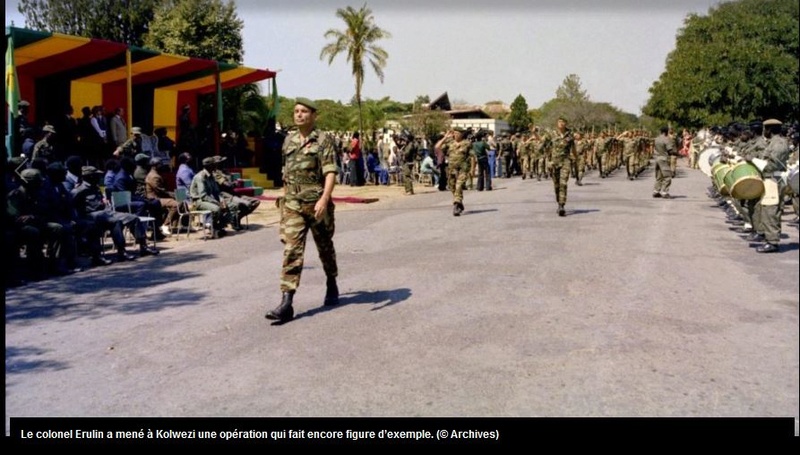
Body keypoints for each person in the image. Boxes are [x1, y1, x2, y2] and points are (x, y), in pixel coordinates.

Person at [265, 98, 339, 323]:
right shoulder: (288, 140)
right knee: (292, 250)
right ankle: (287, 302)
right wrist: (284, 201)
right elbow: (286, 173)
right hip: (293, 205)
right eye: (296, 111)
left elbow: (330, 172)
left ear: (313, 115)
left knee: (325, 246)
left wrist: (324, 199)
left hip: (316, 203)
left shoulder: (323, 140)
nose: (299, 115)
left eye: (304, 111)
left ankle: (331, 281)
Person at [72, 165, 159, 261]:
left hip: (105, 211)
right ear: (90, 177)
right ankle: (121, 251)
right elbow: (70, 204)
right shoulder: (79, 190)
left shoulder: (95, 187)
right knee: (115, 221)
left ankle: (144, 246)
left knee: (133, 218)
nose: (98, 178)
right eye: (96, 176)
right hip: (91, 214)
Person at [752, 119, 792, 253]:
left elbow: (770, 166)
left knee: (771, 210)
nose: (764, 132)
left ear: (769, 129)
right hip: (770, 179)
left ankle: (773, 242)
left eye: (765, 129)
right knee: (767, 209)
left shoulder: (779, 144)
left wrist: (752, 160)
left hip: (774, 179)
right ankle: (769, 238)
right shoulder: (773, 143)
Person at [189, 156, 232, 238]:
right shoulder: (200, 177)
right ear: (209, 166)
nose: (216, 166)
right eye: (214, 165)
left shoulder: (211, 176)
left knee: (229, 208)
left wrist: (222, 200)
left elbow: (216, 191)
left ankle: (218, 227)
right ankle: (212, 227)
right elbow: (203, 195)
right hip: (198, 201)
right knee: (216, 208)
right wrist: (217, 202)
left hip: (208, 200)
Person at [435, 127, 472, 216]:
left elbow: (472, 156)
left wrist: (472, 169)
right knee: (452, 186)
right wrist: (445, 137)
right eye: (454, 133)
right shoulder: (450, 142)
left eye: (457, 133)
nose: (455, 135)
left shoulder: (467, 143)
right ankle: (459, 203)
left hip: (463, 168)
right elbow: (437, 147)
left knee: (459, 186)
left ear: (462, 134)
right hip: (451, 169)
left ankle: (456, 206)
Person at [145, 158, 180, 237]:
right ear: (154, 166)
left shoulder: (156, 174)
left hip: (159, 197)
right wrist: (172, 195)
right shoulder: (154, 176)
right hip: (155, 199)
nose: (161, 166)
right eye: (159, 165)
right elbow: (160, 190)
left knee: (181, 202)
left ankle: (174, 225)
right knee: (175, 204)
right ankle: (165, 225)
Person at [549, 116, 575, 216]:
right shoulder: (551, 134)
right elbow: (542, 143)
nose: (561, 123)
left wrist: (575, 158)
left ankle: (561, 205)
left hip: (565, 161)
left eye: (563, 122)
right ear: (557, 123)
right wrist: (533, 132)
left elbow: (573, 147)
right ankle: (558, 201)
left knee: (563, 183)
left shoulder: (570, 134)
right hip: (554, 162)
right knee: (556, 184)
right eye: (559, 122)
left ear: (566, 123)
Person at [652, 126, 678, 199]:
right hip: (664, 159)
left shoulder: (656, 139)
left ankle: (656, 191)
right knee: (667, 176)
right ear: (666, 132)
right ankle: (664, 192)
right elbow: (670, 151)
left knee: (659, 176)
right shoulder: (667, 139)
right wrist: (678, 154)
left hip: (657, 158)